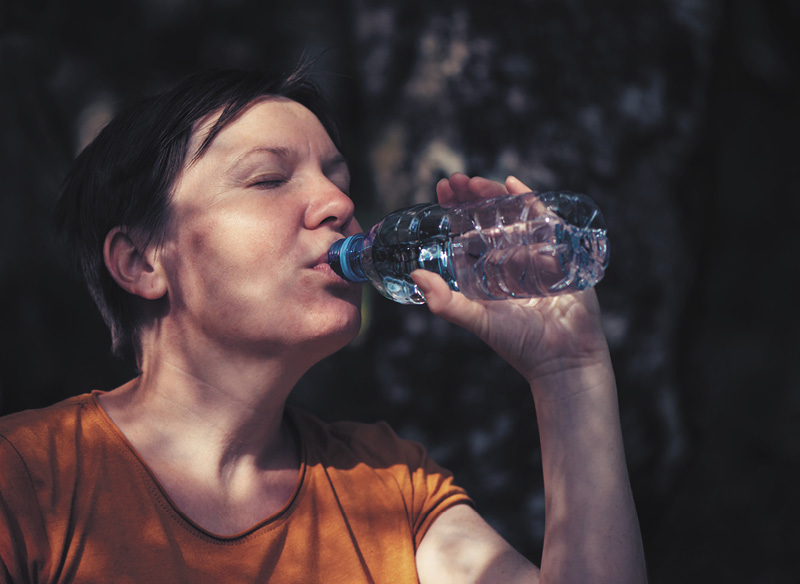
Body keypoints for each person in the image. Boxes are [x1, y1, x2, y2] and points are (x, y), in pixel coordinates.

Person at [0, 66, 648, 583]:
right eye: (268, 179)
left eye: (339, 180)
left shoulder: (390, 488)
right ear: (142, 262)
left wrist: (571, 373)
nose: (339, 205)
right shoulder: (27, 477)